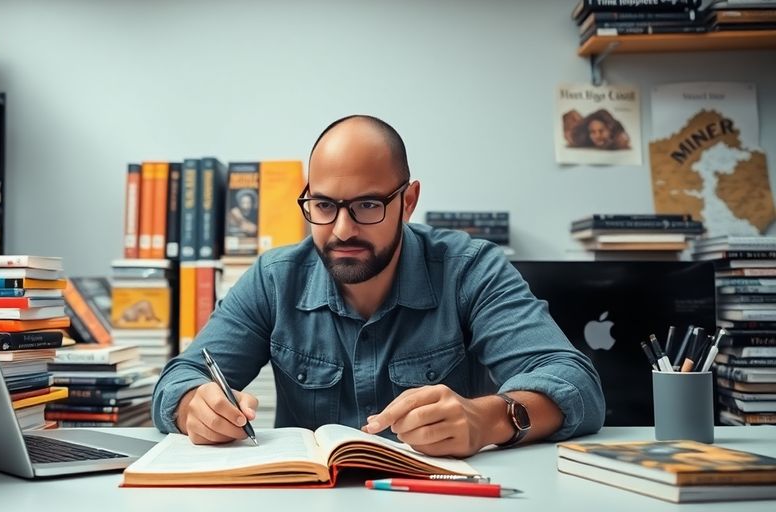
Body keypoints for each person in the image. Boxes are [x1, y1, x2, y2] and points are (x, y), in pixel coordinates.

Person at [152, 115, 605, 458]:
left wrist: (489, 419)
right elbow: (178, 380)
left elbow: (574, 383)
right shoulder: (274, 278)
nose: (343, 229)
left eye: (367, 204)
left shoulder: (471, 269)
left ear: (408, 201)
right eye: (325, 205)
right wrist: (195, 405)